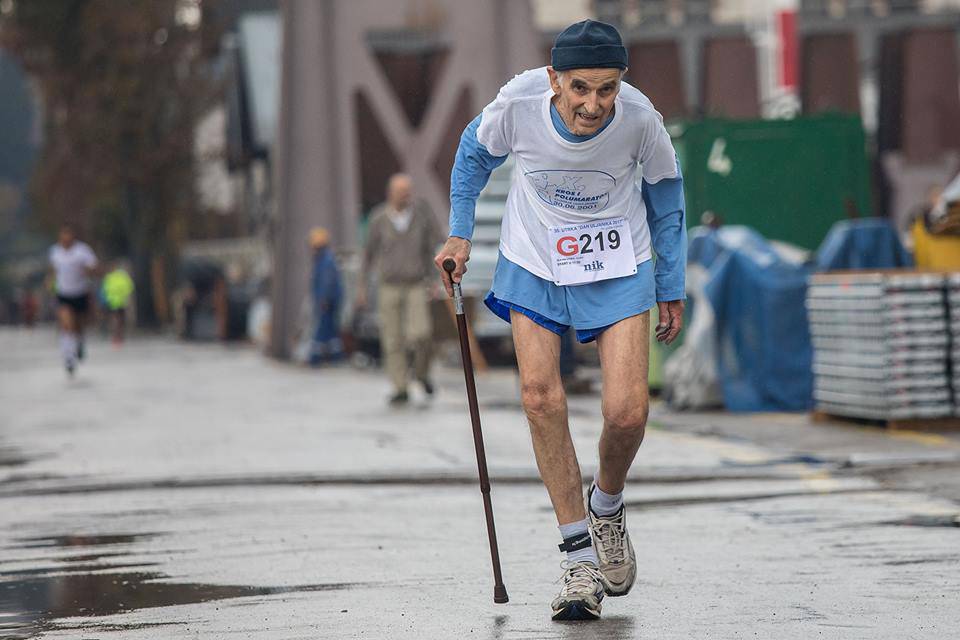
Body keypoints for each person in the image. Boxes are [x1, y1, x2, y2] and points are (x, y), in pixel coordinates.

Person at [434, 20, 686, 621]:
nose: (593, 105)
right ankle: (578, 561)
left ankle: (607, 504)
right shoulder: (517, 104)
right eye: (579, 89)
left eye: (607, 90)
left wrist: (671, 283)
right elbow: (472, 157)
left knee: (627, 410)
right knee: (540, 398)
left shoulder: (641, 119)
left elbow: (667, 196)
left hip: (617, 258)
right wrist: (459, 233)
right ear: (553, 81)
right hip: (536, 256)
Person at [358, 173, 445, 405]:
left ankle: (421, 373)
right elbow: (367, 255)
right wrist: (362, 288)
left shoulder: (420, 215)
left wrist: (436, 278)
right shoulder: (378, 219)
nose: (406, 195)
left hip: (416, 283)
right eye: (401, 191)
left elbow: (436, 243)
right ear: (391, 193)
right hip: (389, 285)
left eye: (408, 191)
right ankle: (400, 387)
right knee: (392, 338)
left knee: (421, 334)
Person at [48, 224, 99, 375]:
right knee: (66, 325)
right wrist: (50, 282)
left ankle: (80, 343)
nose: (65, 240)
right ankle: (69, 357)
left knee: (78, 326)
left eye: (68, 237)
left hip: (80, 292)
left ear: (72, 238)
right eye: (63, 237)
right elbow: (53, 271)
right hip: (64, 294)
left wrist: (86, 271)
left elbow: (93, 267)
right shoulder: (54, 252)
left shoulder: (82, 251)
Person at [309, 227, 344, 364]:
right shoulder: (323, 258)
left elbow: (327, 281)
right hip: (330, 300)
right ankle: (337, 356)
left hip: (327, 301)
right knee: (331, 330)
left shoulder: (326, 260)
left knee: (322, 328)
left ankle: (315, 358)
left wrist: (323, 299)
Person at [101, 260, 135, 346]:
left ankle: (116, 335)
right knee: (119, 320)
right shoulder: (123, 277)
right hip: (120, 302)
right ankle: (118, 335)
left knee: (116, 320)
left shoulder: (109, 277)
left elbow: (104, 290)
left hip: (112, 302)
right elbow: (129, 289)